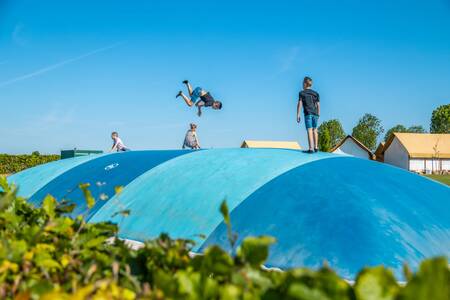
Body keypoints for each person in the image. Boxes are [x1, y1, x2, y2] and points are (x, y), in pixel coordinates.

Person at [297, 76, 320, 153]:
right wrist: (318, 114)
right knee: (315, 129)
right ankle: (316, 147)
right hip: (315, 114)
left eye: (302, 83)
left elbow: (299, 104)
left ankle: (311, 148)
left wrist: (298, 114)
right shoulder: (316, 93)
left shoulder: (301, 93)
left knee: (309, 130)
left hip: (308, 113)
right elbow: (318, 105)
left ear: (305, 84)